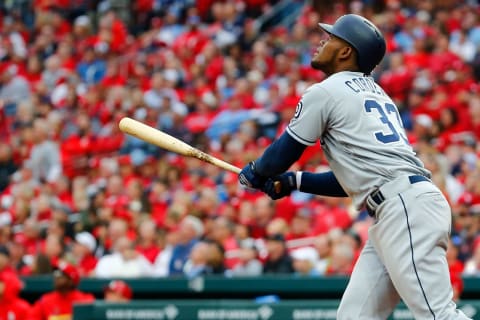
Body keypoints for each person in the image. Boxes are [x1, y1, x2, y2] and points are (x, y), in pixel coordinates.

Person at [238, 14, 470, 319]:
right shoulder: (376, 95)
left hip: (405, 209)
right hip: (400, 206)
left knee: (437, 314)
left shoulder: (327, 90)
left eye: (332, 37)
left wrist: (256, 171)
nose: (322, 41)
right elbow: (355, 180)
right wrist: (294, 182)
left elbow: (282, 153)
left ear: (347, 51)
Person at [28, 261, 95, 320]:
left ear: (71, 279)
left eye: (61, 274)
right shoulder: (45, 300)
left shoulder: (86, 300)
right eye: (55, 273)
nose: (57, 277)